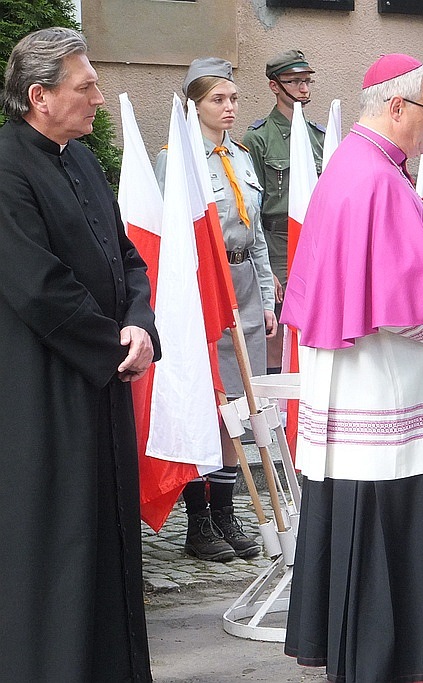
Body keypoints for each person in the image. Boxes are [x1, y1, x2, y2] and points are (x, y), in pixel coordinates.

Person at [281, 53, 423, 682]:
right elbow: (406, 301)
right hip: (381, 389)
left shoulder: (363, 166)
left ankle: (386, 651)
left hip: (373, 382)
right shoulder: (374, 177)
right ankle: (380, 656)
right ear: (398, 106)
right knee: (384, 515)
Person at [0, 27, 159, 680]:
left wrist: (141, 325)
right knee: (59, 550)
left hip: (103, 385)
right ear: (40, 96)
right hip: (48, 395)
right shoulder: (7, 168)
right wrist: (113, 346)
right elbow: (38, 287)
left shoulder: (85, 160)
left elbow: (125, 256)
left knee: (110, 544)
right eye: (84, 85)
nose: (99, 95)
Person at [156, 57, 277, 561]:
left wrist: (268, 296)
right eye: (216, 100)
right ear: (193, 105)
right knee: (206, 402)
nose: (229, 108)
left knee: (240, 406)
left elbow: (256, 234)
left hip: (244, 281)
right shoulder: (176, 159)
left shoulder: (242, 156)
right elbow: (167, 240)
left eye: (232, 98)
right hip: (203, 287)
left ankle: (226, 511)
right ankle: (198, 519)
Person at [243, 49, 325, 373]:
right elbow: (252, 207)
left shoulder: (318, 137)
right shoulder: (258, 138)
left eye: (307, 81)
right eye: (295, 81)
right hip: (277, 243)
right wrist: (267, 269)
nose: (304, 88)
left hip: (316, 241)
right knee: (279, 330)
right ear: (275, 86)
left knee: (315, 323)